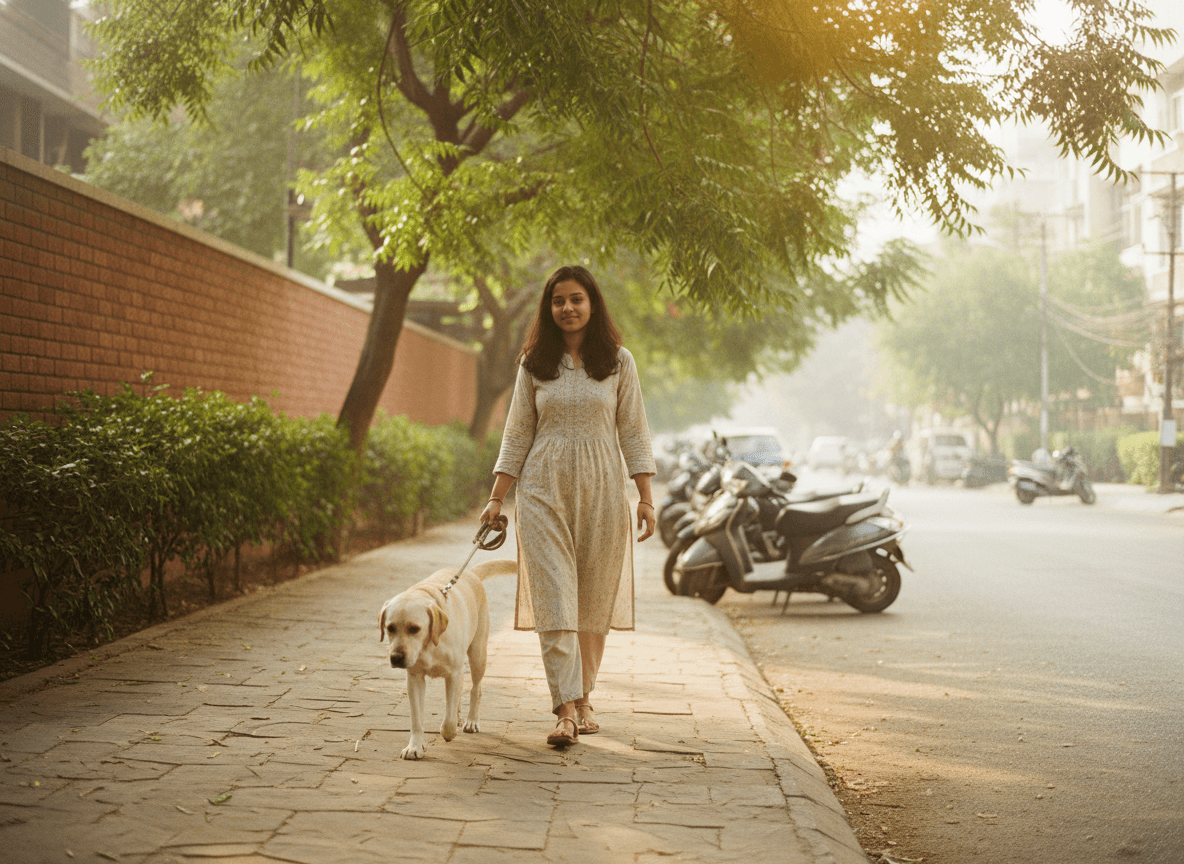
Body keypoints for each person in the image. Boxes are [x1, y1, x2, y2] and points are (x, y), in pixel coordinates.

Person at [481, 264, 656, 747]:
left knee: (593, 599)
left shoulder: (619, 362)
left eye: (577, 299)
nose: (568, 308)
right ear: (548, 308)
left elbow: (634, 431)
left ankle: (584, 695)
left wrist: (645, 497)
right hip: (542, 490)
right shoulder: (533, 364)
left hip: (603, 491)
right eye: (559, 301)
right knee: (556, 598)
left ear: (592, 304)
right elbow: (517, 432)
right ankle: (564, 709)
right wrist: (497, 497)